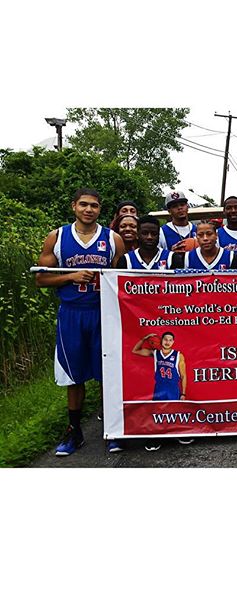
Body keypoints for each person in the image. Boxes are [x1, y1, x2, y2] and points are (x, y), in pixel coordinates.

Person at [35, 188, 125, 456]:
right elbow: (41, 279)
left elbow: (122, 277)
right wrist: (70, 276)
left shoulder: (113, 239)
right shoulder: (58, 237)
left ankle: (112, 429)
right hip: (72, 312)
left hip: (103, 312)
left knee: (108, 373)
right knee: (74, 376)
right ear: (74, 206)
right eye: (83, 205)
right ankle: (75, 432)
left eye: (94, 206)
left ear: (100, 209)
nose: (88, 209)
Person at [132, 331, 192, 450]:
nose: (167, 342)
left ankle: (179, 435)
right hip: (159, 387)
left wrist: (183, 393)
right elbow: (135, 350)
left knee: (174, 413)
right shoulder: (155, 353)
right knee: (157, 413)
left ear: (173, 342)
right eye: (165, 339)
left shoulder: (178, 355)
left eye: (170, 340)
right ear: (161, 341)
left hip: (173, 388)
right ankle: (156, 438)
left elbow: (184, 375)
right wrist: (144, 338)